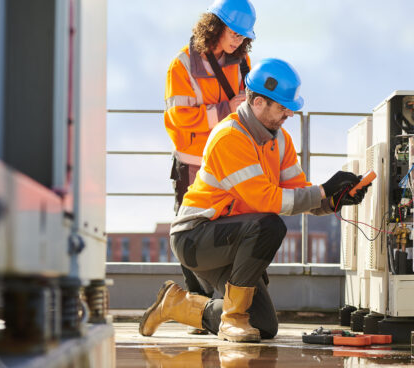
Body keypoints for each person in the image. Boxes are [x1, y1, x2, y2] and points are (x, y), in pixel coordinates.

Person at [140, 58, 368, 342]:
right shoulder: (229, 137)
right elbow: (265, 200)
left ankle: (177, 304)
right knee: (271, 225)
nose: (289, 114)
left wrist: (334, 200)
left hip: (233, 240)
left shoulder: (280, 139)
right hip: (196, 237)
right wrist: (322, 190)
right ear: (259, 102)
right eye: (283, 107)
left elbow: (297, 190)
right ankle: (232, 319)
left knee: (263, 326)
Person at [163, 0, 256, 334]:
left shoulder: (243, 60)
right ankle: (196, 305)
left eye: (244, 36)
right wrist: (226, 108)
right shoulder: (182, 65)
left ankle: (218, 306)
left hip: (228, 161)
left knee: (228, 227)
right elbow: (179, 119)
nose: (238, 40)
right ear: (215, 25)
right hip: (193, 164)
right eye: (234, 32)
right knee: (189, 233)